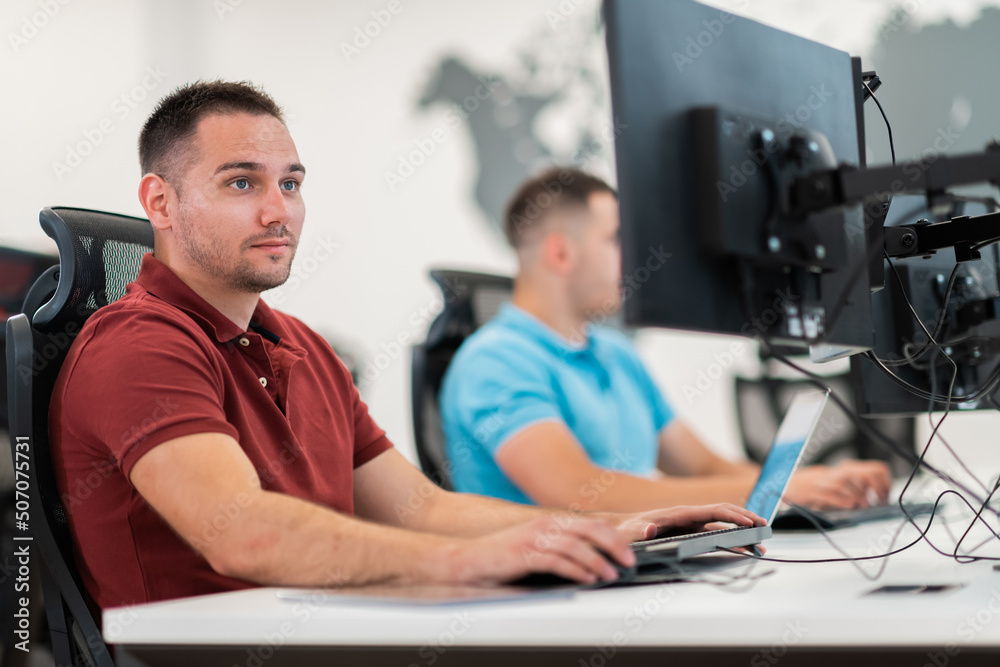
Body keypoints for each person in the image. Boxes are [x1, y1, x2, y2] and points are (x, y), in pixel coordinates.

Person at [49, 82, 764, 611]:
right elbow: (246, 534)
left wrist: (614, 526)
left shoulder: (300, 345)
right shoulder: (138, 344)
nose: (279, 211)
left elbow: (418, 507)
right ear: (161, 203)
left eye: (291, 183)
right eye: (242, 182)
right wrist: (476, 560)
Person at [440, 167, 892, 513]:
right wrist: (777, 489)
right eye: (616, 239)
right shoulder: (494, 361)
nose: (632, 257)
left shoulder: (615, 353)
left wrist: (809, 482)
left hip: (632, 564)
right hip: (553, 597)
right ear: (561, 252)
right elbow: (578, 494)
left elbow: (701, 467)